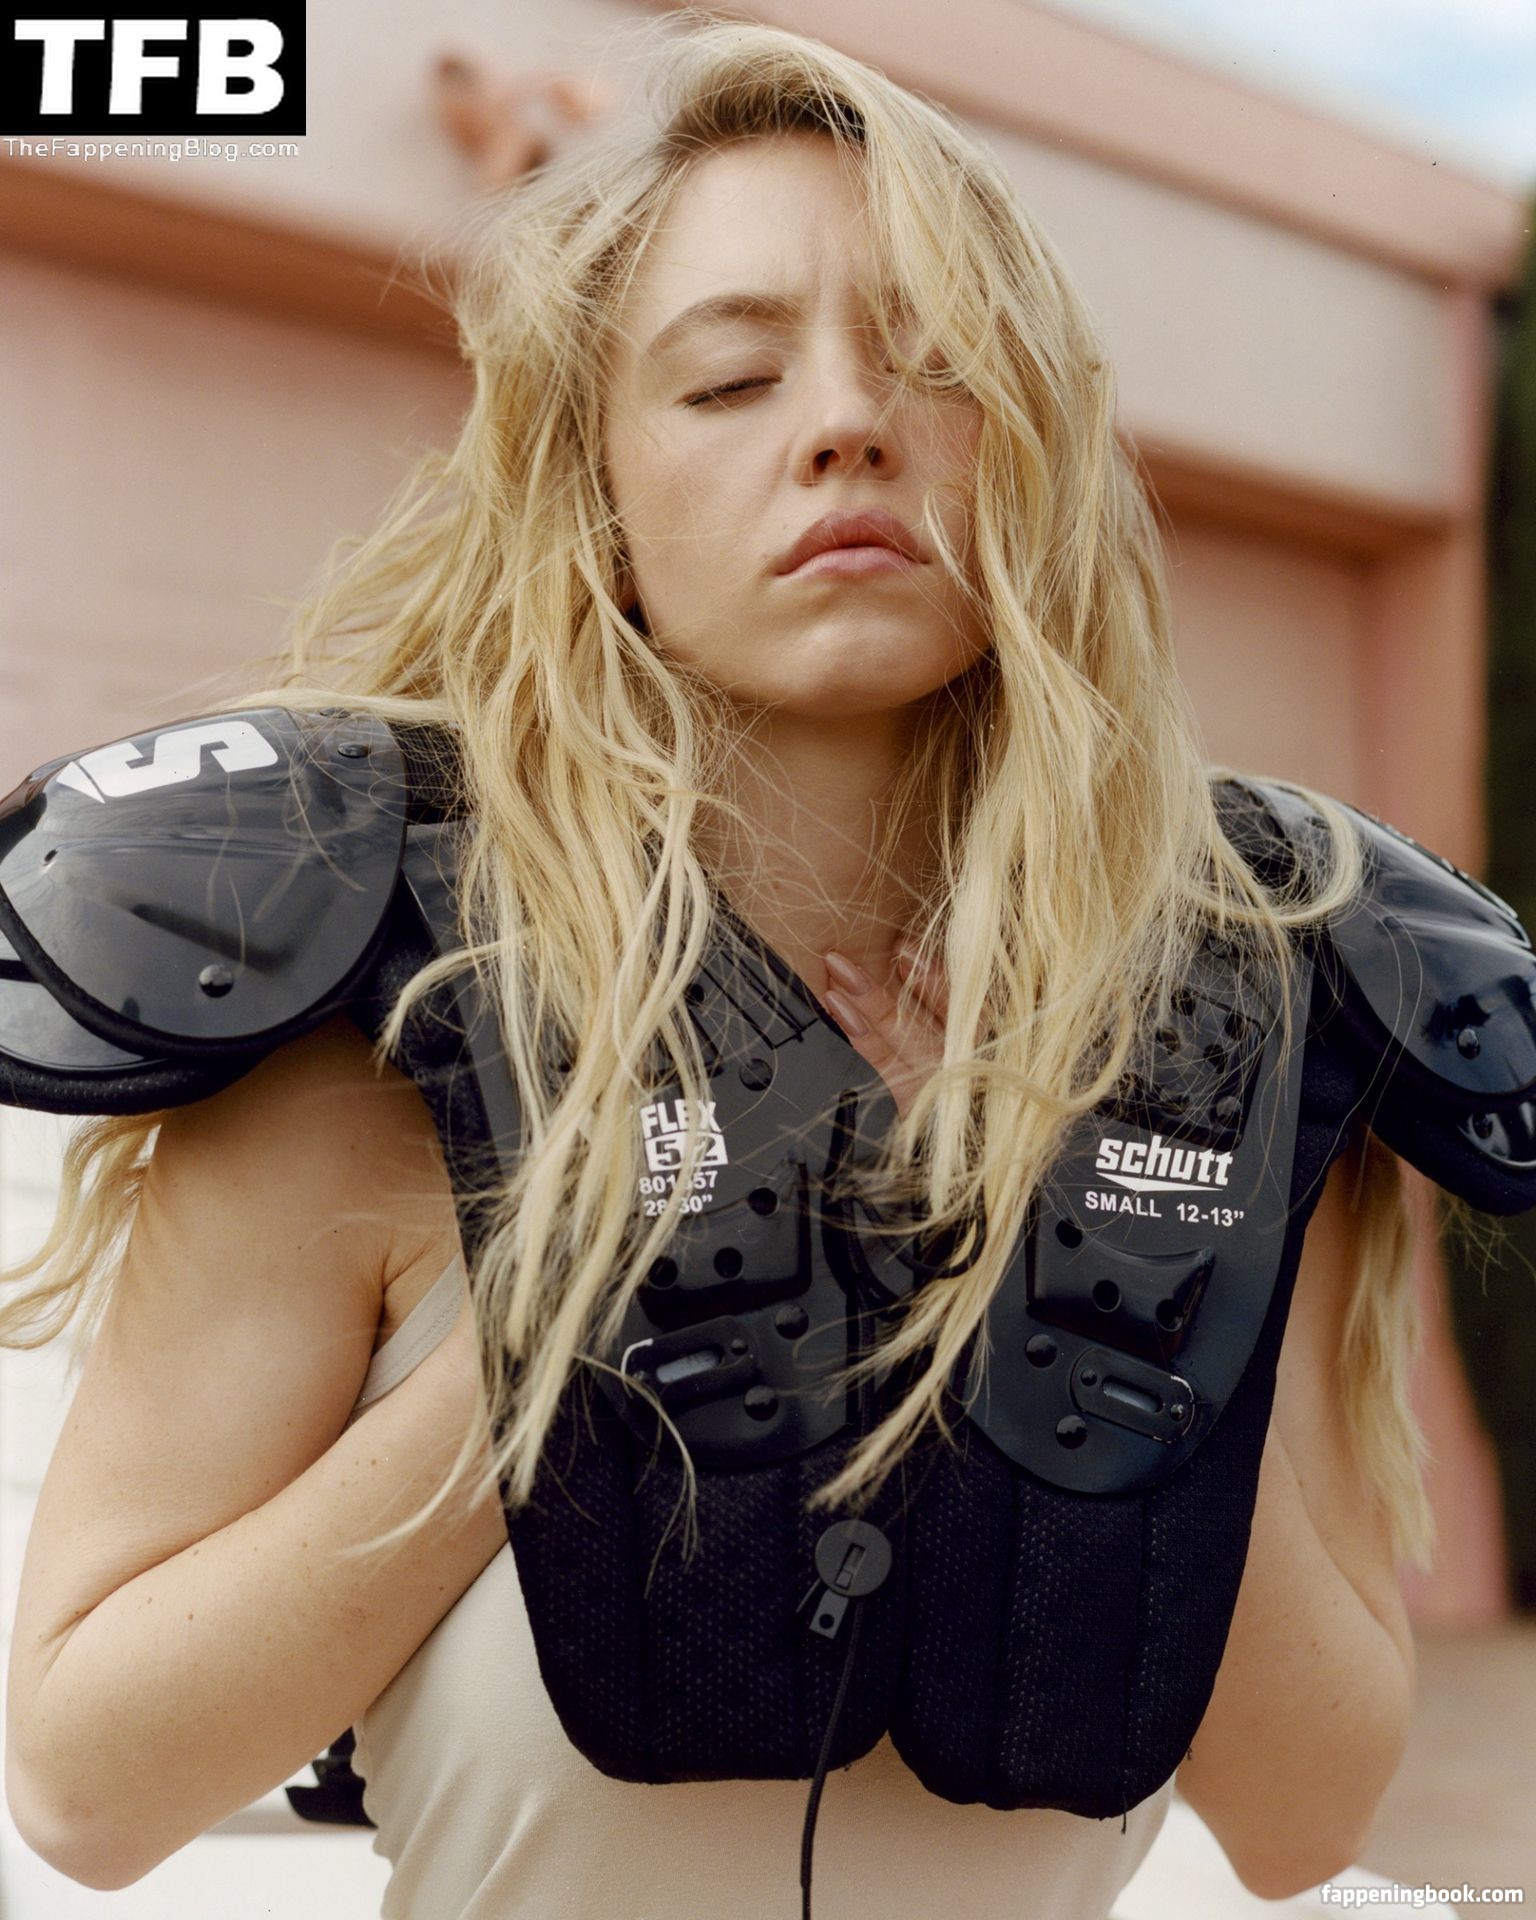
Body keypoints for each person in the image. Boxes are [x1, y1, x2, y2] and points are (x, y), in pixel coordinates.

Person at [0, 15, 1508, 1917]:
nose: (847, 423)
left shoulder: (1229, 1037)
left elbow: (1303, 1820)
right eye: (728, 378)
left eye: (937, 362)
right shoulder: (380, 1045)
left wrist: (1079, 1266)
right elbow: (87, 1788)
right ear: (599, 498)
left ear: (1033, 457)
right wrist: (575, 1313)